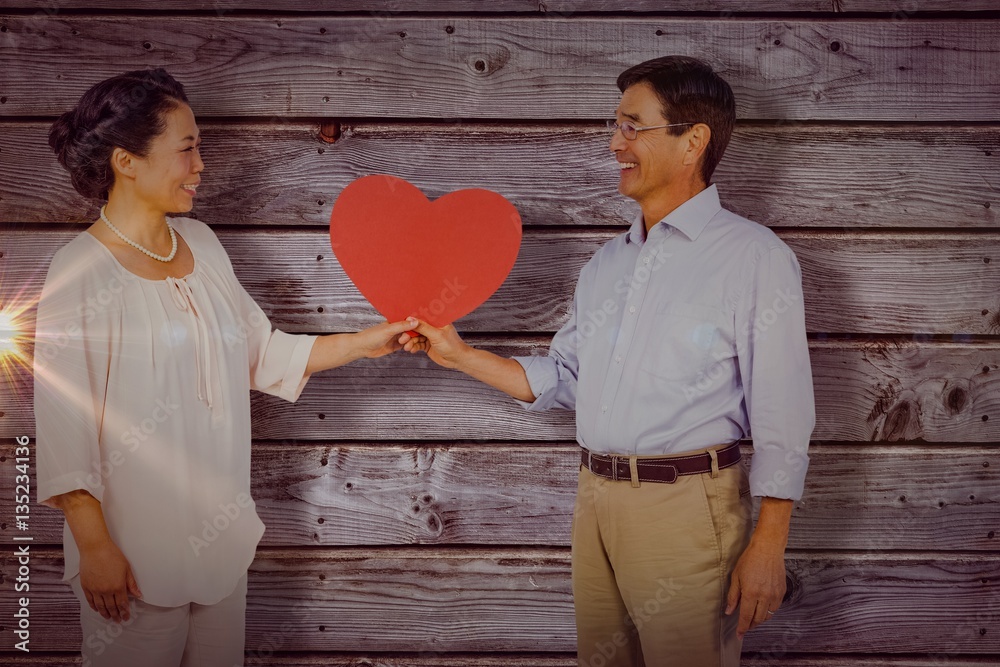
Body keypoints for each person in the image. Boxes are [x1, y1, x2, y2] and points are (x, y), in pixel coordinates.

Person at [405, 56, 815, 666]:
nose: (614, 142)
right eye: (615, 125)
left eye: (632, 126)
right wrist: (461, 356)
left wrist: (769, 545)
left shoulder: (755, 259)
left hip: (687, 511)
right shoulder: (607, 265)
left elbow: (784, 412)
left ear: (691, 142)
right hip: (595, 501)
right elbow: (565, 377)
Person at [34, 68, 418, 667]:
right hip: (132, 559)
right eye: (186, 148)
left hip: (218, 548)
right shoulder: (79, 269)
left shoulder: (203, 244)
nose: (201, 164)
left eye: (199, 148)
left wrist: (368, 340)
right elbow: (63, 414)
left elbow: (261, 353)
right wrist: (94, 545)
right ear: (125, 161)